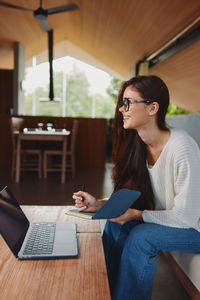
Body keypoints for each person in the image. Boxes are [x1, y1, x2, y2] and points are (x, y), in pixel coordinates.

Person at [73, 75, 200, 300]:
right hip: (176, 220)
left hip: (195, 227)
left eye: (129, 102)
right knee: (115, 227)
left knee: (141, 237)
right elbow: (131, 199)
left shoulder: (182, 147)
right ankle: (104, 294)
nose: (122, 109)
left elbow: (186, 218)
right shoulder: (138, 147)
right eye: (122, 102)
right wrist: (98, 205)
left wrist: (137, 215)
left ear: (152, 108)